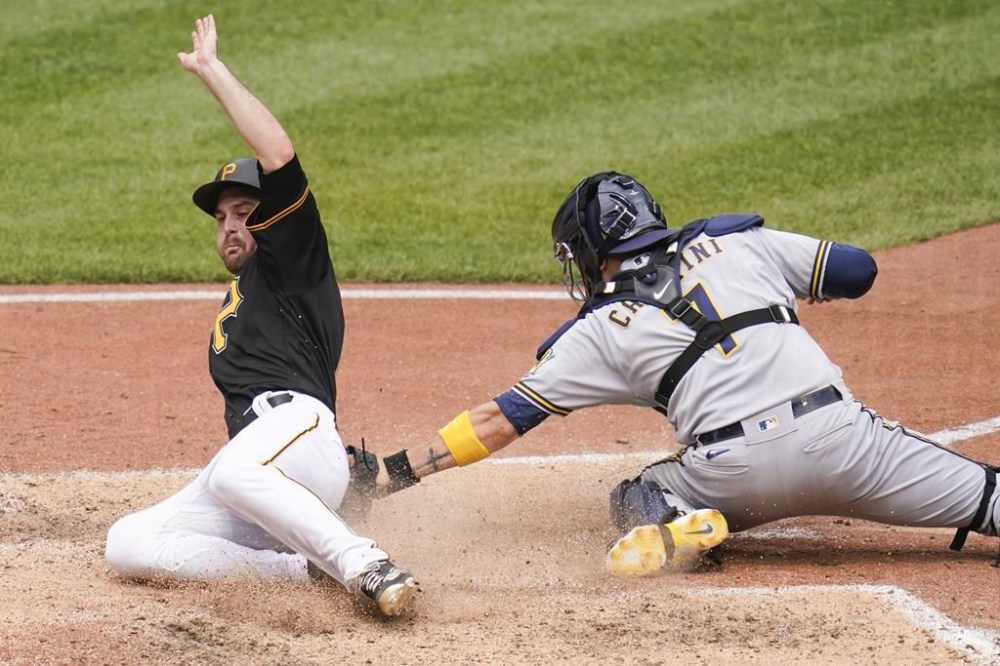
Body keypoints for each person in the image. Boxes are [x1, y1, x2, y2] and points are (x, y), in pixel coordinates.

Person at [367, 170, 1000, 573]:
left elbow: (500, 421)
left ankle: (673, 521)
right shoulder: (741, 243)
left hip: (734, 476)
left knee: (634, 491)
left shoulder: (597, 331)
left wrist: (394, 474)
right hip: (847, 445)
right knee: (990, 499)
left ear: (590, 253)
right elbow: (858, 272)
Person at [104, 14, 418, 616]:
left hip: (301, 435)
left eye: (245, 211)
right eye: (221, 216)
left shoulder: (293, 262)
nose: (230, 226)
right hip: (265, 469)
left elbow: (276, 151)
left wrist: (213, 72)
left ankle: (366, 565)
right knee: (131, 543)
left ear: (271, 217)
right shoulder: (244, 291)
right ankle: (303, 571)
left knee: (231, 474)